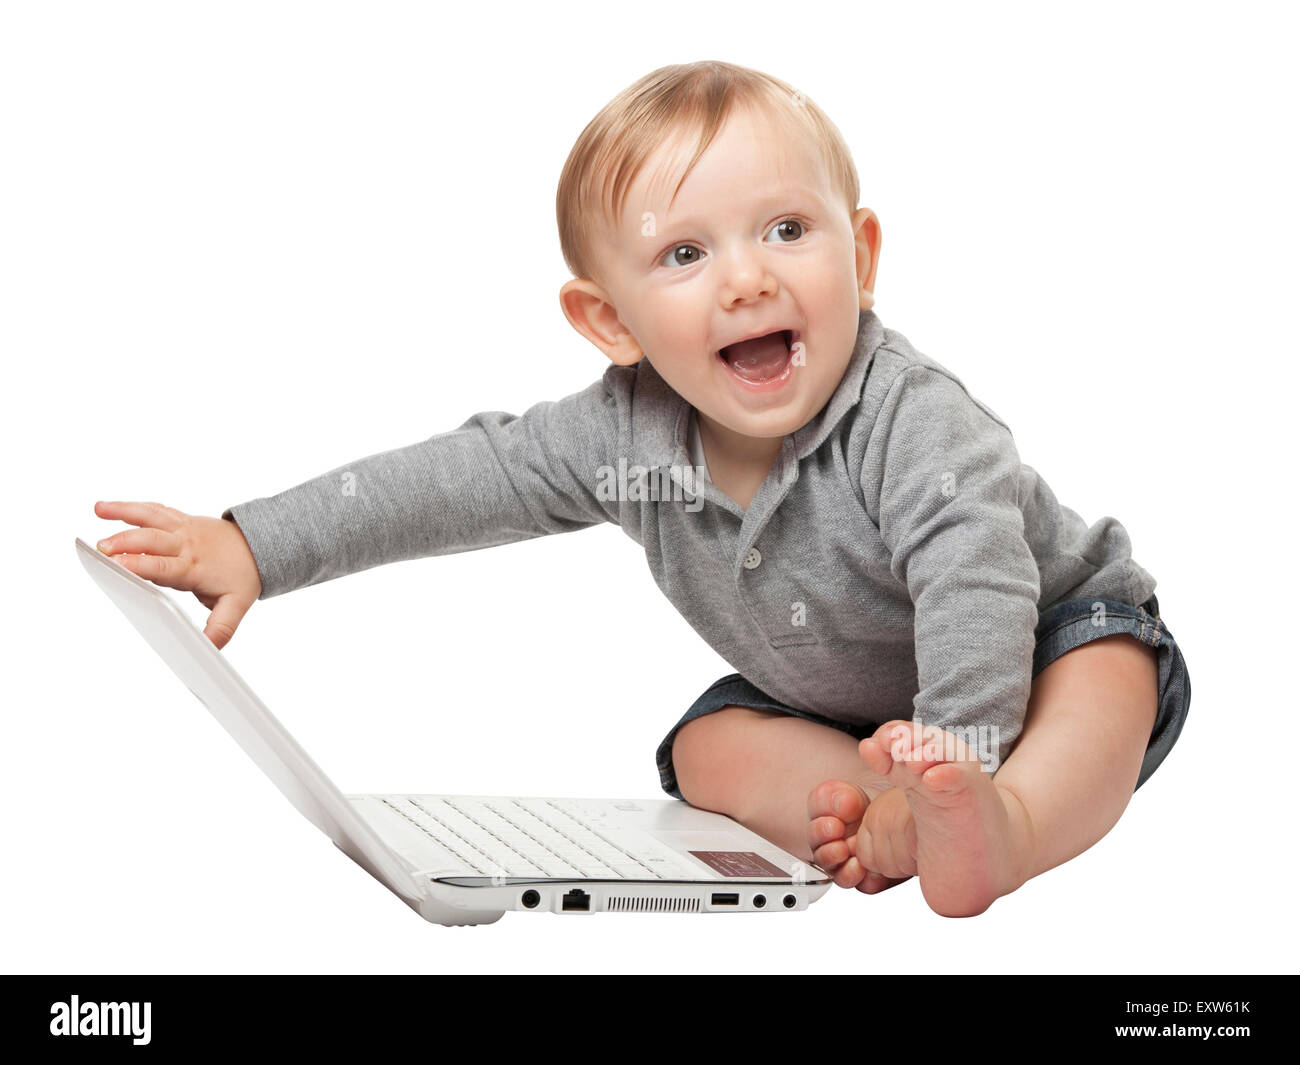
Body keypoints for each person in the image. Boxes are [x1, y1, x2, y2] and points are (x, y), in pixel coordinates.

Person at [92, 60, 1190, 917]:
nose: (748, 276)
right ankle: (883, 816)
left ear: (859, 255)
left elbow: (976, 591)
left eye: (787, 231)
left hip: (1048, 641)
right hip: (855, 713)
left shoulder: (909, 421)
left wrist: (956, 751)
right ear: (609, 323)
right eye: (682, 255)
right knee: (706, 747)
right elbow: (454, 480)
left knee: (1099, 687)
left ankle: (992, 825)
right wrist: (255, 545)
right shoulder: (624, 436)